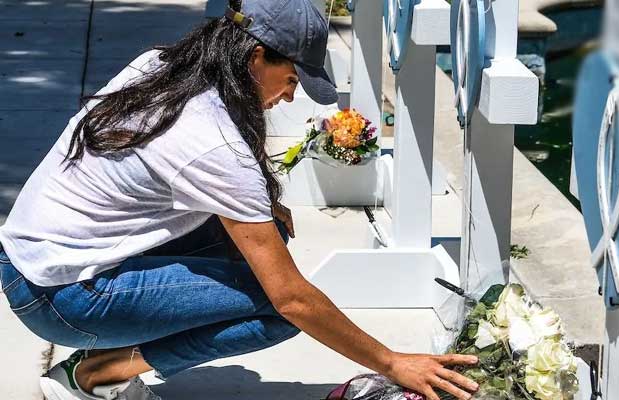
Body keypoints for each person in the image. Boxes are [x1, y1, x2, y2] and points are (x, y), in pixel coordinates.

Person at [0, 0, 479, 399]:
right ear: (256, 57)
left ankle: (109, 354)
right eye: (292, 79)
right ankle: (97, 372)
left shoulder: (161, 65)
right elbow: (292, 299)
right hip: (61, 298)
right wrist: (393, 363)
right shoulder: (213, 143)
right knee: (277, 310)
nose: (291, 98)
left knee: (262, 243)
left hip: (28, 263)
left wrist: (262, 209)